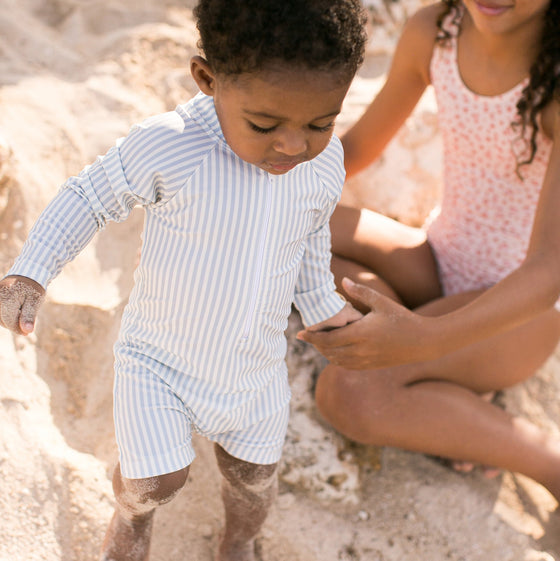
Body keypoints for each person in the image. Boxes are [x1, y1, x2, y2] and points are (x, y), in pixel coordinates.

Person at [0, 1, 367, 559]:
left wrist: (322, 305)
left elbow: (310, 236)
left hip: (254, 369)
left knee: (253, 482)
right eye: (265, 124)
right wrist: (32, 270)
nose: (294, 145)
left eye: (321, 122)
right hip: (160, 362)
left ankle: (237, 544)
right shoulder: (173, 144)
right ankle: (127, 531)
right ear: (208, 79)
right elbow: (89, 196)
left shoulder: (322, 162)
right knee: (154, 483)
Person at [298, 0, 560, 501]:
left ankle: (548, 464)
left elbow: (548, 273)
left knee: (347, 394)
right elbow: (355, 151)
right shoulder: (436, 30)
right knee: (294, 224)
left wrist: (429, 339)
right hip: (439, 256)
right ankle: (445, 383)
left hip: (521, 314)